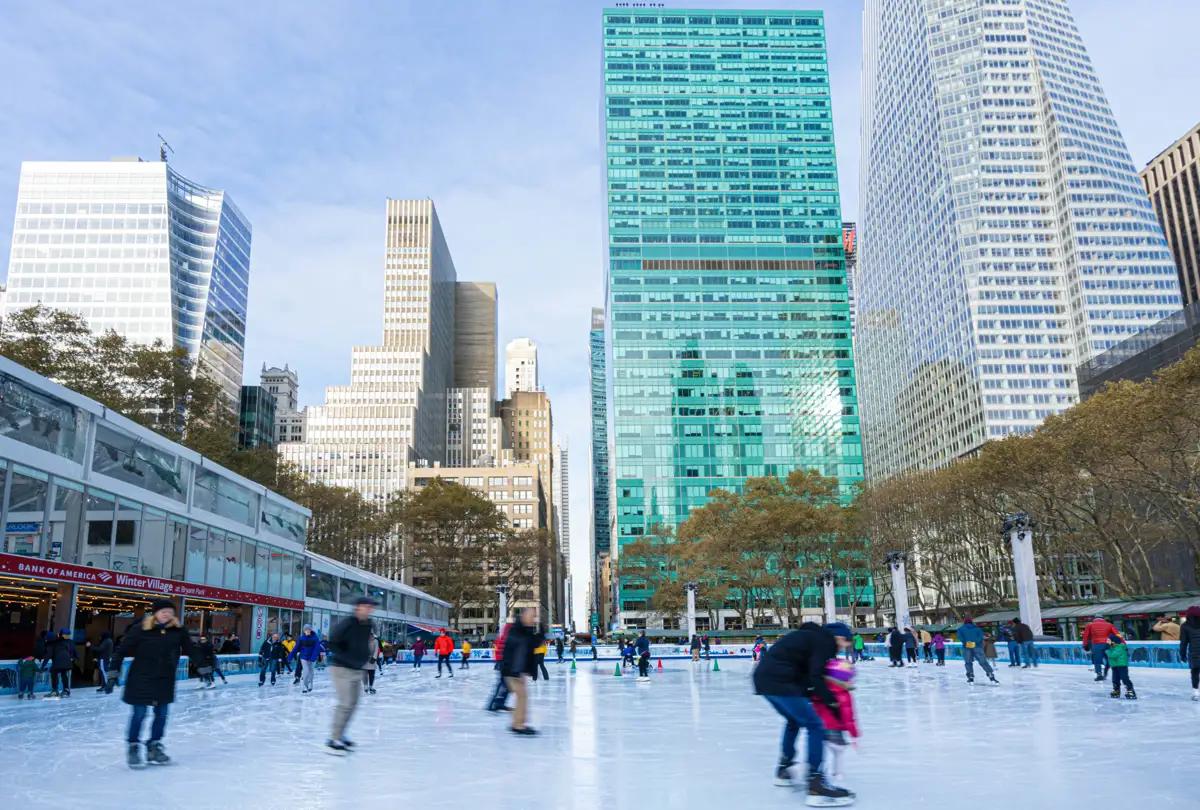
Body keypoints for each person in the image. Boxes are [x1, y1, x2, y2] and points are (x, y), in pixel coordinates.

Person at [753, 621, 856, 806]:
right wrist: (831, 702)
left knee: (793, 721)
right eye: (846, 642)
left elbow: (804, 673)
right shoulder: (824, 641)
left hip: (763, 679)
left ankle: (784, 770)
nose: (845, 647)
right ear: (840, 637)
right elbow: (816, 676)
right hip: (780, 681)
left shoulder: (809, 638)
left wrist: (813, 695)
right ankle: (816, 784)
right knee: (815, 726)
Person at [109, 599, 194, 768]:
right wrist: (113, 674)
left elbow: (191, 649)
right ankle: (133, 746)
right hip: (141, 679)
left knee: (161, 714)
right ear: (155, 613)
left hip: (164, 680)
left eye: (170, 612)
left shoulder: (178, 631)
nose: (167, 615)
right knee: (139, 714)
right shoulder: (140, 629)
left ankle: (154, 746)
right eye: (163, 612)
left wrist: (206, 667)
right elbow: (121, 652)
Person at [324, 597, 374, 754]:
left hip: (357, 669)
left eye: (370, 607)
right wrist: (346, 656)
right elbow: (331, 642)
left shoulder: (368, 625)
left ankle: (341, 734)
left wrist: (364, 658)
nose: (369, 609)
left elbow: (364, 644)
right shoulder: (347, 623)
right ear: (358, 607)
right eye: (366, 606)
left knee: (353, 704)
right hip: (341, 668)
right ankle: (333, 738)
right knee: (345, 703)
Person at [811, 658, 859, 786]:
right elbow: (848, 717)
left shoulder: (821, 690)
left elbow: (813, 706)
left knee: (819, 750)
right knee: (839, 750)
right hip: (834, 730)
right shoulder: (843, 694)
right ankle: (837, 773)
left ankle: (816, 771)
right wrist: (854, 734)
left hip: (819, 728)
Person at [501, 607, 538, 735]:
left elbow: (529, 651)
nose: (533, 619)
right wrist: (515, 672)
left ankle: (518, 723)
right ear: (524, 616)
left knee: (522, 696)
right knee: (522, 696)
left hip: (517, 672)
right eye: (531, 616)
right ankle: (518, 725)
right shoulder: (516, 630)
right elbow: (513, 652)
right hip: (511, 672)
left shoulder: (525, 631)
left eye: (534, 617)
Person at [957, 618, 998, 684]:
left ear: (964, 623)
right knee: (983, 661)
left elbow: (960, 637)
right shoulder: (978, 629)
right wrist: (975, 643)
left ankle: (970, 676)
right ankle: (990, 674)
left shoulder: (960, 629)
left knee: (968, 662)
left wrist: (966, 643)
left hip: (967, 647)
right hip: (977, 647)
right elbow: (981, 637)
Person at [1081, 616, 1119, 681]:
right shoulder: (1109, 625)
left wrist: (1085, 645)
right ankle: (1107, 673)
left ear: (1094, 619)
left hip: (1096, 645)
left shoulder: (1090, 625)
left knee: (1097, 660)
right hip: (1107, 644)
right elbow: (1117, 634)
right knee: (1109, 659)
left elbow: (1085, 636)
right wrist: (1122, 642)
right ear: (1103, 619)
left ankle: (1099, 674)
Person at [487, 620, 513, 713]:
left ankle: (496, 703)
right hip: (504, 663)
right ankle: (495, 703)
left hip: (501, 662)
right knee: (506, 684)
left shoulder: (501, 637)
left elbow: (498, 651)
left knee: (503, 684)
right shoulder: (508, 639)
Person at [44, 628, 78, 698]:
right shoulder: (61, 641)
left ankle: (57, 690)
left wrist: (73, 658)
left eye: (68, 635)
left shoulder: (56, 642)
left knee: (57, 673)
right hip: (64, 662)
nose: (67, 636)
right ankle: (64, 690)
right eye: (66, 635)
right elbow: (74, 652)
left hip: (61, 661)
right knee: (62, 674)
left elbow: (49, 655)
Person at [1179, 606, 1200, 701]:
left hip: (1194, 654)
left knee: (1195, 672)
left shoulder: (1185, 626)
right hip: (1195, 653)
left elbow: (1183, 643)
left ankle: (1196, 693)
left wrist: (1182, 655)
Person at [1105, 633, 1136, 700]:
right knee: (1115, 679)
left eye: (1108, 640)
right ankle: (1116, 690)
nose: (1107, 641)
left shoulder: (1120, 647)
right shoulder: (1112, 647)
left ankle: (1130, 690)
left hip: (1122, 666)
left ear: (1113, 641)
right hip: (1114, 666)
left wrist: (1107, 650)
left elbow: (1113, 655)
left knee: (1124, 678)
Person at [292, 625, 322, 693]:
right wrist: (291, 655)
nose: (307, 631)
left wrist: (314, 657)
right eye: (306, 629)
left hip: (312, 658)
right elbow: (296, 647)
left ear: (311, 630)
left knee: (310, 671)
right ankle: (304, 685)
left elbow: (317, 648)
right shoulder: (301, 638)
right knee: (305, 671)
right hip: (303, 656)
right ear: (304, 630)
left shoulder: (315, 638)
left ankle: (310, 683)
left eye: (309, 629)